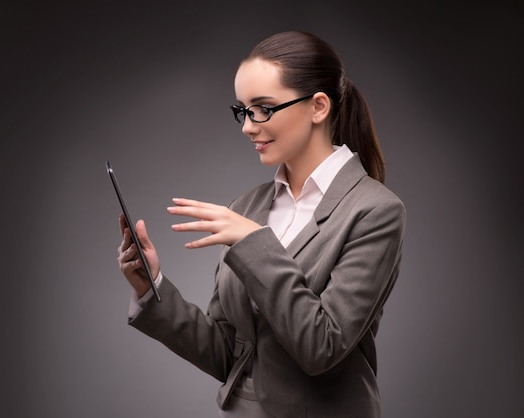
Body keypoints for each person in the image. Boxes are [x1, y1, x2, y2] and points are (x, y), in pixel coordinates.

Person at [117, 30, 406, 418]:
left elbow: (323, 346)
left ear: (318, 106)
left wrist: (255, 242)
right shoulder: (248, 207)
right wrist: (152, 289)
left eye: (263, 108)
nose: (248, 126)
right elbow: (229, 354)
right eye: (243, 110)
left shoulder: (375, 211)